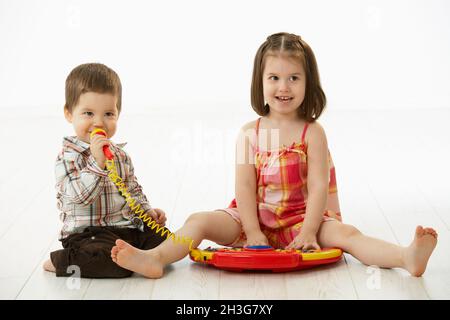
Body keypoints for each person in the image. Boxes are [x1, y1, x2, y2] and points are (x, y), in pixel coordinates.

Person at [111, 32, 437, 278]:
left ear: (308, 83)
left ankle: (405, 257)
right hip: (254, 217)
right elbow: (244, 190)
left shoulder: (313, 133)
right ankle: (156, 258)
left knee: (347, 234)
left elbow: (320, 189)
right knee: (199, 220)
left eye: (294, 78)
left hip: (302, 220)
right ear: (261, 81)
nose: (284, 87)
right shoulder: (249, 133)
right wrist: (252, 231)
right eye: (275, 78)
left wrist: (310, 231)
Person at [43, 63, 168, 278]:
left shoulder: (120, 155)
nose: (99, 122)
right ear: (69, 113)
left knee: (167, 242)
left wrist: (146, 211)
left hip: (125, 229)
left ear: (118, 113)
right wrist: (97, 164)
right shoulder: (67, 157)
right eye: (88, 113)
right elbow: (80, 197)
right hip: (88, 235)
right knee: (109, 262)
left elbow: (132, 190)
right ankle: (63, 261)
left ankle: (141, 258)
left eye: (108, 113)